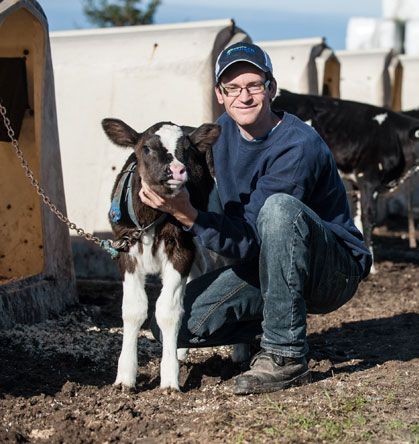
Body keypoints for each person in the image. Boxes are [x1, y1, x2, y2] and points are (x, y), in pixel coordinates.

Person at [138, 42, 372, 395]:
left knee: (278, 209)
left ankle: (285, 355)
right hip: (268, 260)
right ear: (220, 94)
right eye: (232, 88)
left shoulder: (296, 145)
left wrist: (186, 214)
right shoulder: (222, 132)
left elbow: (250, 238)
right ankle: (270, 322)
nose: (243, 96)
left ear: (271, 89)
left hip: (331, 269)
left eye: (253, 86)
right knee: (173, 324)